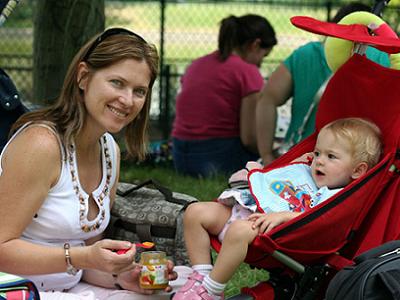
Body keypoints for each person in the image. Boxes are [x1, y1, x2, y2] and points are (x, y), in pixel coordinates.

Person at [0, 27, 191, 300]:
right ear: (83, 77)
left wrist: (123, 277)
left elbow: (87, 262)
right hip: (16, 290)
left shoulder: (109, 150)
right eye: (116, 83)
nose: (127, 100)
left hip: (70, 288)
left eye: (139, 91)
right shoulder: (41, 144)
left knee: (183, 289)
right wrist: (84, 256)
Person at [172, 117, 382, 300]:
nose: (318, 161)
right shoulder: (306, 170)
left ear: (357, 170)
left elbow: (318, 220)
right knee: (195, 212)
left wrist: (284, 216)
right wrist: (292, 165)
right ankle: (201, 275)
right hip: (247, 210)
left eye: (331, 157)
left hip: (271, 233)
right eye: (317, 153)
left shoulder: (336, 196)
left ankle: (212, 289)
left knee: (239, 230)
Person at [256, 2, 390, 165]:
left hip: (298, 157)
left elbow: (267, 99)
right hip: (355, 165)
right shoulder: (385, 58)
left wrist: (267, 156)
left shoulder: (307, 54)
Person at [171, 14, 277, 177]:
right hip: (216, 158)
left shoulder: (197, 64)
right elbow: (249, 139)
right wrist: (269, 153)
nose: (260, 64)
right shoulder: (247, 71)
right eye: (264, 56)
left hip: (180, 156)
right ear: (255, 45)